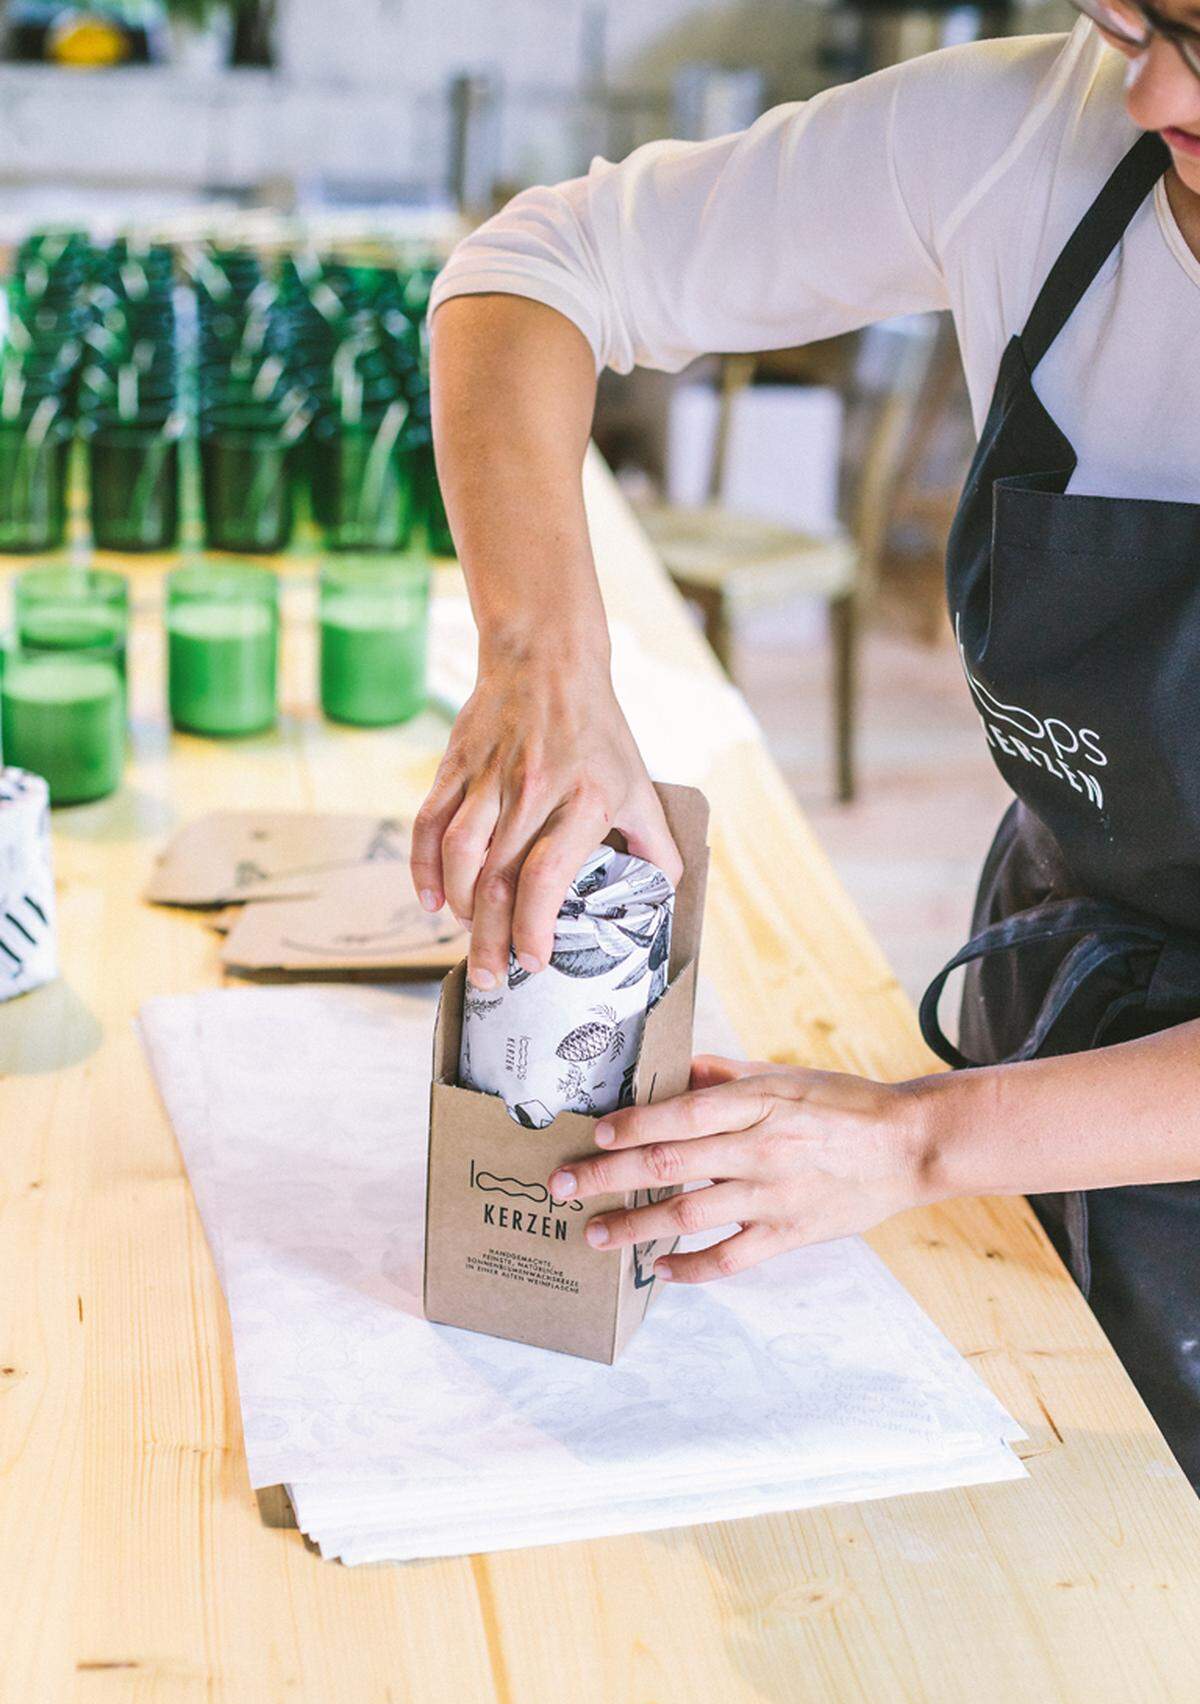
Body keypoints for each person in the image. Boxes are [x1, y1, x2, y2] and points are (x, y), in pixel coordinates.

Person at [413, 5, 1200, 1486]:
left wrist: (916, 1146)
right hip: (1054, 1001)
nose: (1147, 80)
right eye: (1131, 15)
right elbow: (536, 269)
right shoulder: (1028, 138)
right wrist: (545, 659)